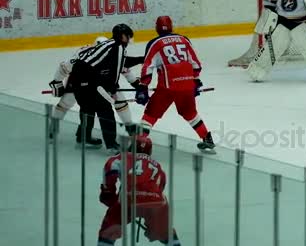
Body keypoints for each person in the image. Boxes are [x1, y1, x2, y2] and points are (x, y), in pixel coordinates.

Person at [135, 16, 215, 152]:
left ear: (157, 28)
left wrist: (143, 86)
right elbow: (195, 64)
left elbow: (148, 66)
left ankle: (139, 143)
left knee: (151, 113)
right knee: (190, 112)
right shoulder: (184, 39)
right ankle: (207, 137)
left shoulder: (155, 43)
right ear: (171, 26)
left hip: (167, 87)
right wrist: (195, 81)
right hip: (187, 84)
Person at [50, 24, 134, 153]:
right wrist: (57, 82)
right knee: (95, 108)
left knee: (87, 110)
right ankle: (113, 141)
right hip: (82, 83)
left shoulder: (108, 52)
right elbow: (64, 67)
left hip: (93, 84)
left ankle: (83, 136)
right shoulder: (87, 53)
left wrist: (136, 83)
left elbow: (123, 69)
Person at [97, 135, 181, 246]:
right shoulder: (157, 166)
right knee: (165, 231)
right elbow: (161, 186)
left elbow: (109, 170)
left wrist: (109, 196)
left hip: (129, 198)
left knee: (108, 229)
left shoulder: (122, 157)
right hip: (156, 201)